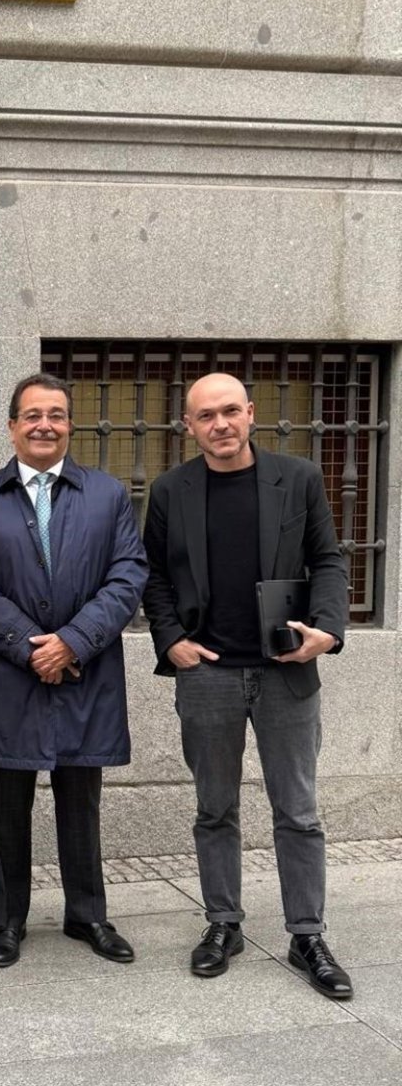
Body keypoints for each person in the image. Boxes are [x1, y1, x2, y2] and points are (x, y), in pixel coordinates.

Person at [143, 372, 351, 998]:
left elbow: (328, 559)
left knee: (299, 811)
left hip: (285, 669)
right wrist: (170, 639)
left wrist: (327, 630)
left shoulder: (299, 478)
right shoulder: (171, 490)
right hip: (207, 673)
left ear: (252, 413)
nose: (221, 424)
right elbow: (153, 575)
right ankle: (223, 923)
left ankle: (307, 934)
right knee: (215, 808)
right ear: (188, 425)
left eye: (230, 411)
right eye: (206, 416)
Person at [0, 373, 147, 970]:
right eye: (32, 415)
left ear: (70, 425)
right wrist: (32, 648)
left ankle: (87, 914)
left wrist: (73, 643)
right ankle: (9, 921)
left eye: (56, 414)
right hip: (9, 678)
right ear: (11, 426)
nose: (44, 425)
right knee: (7, 810)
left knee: (81, 804)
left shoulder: (107, 495)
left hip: (85, 673)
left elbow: (128, 574)